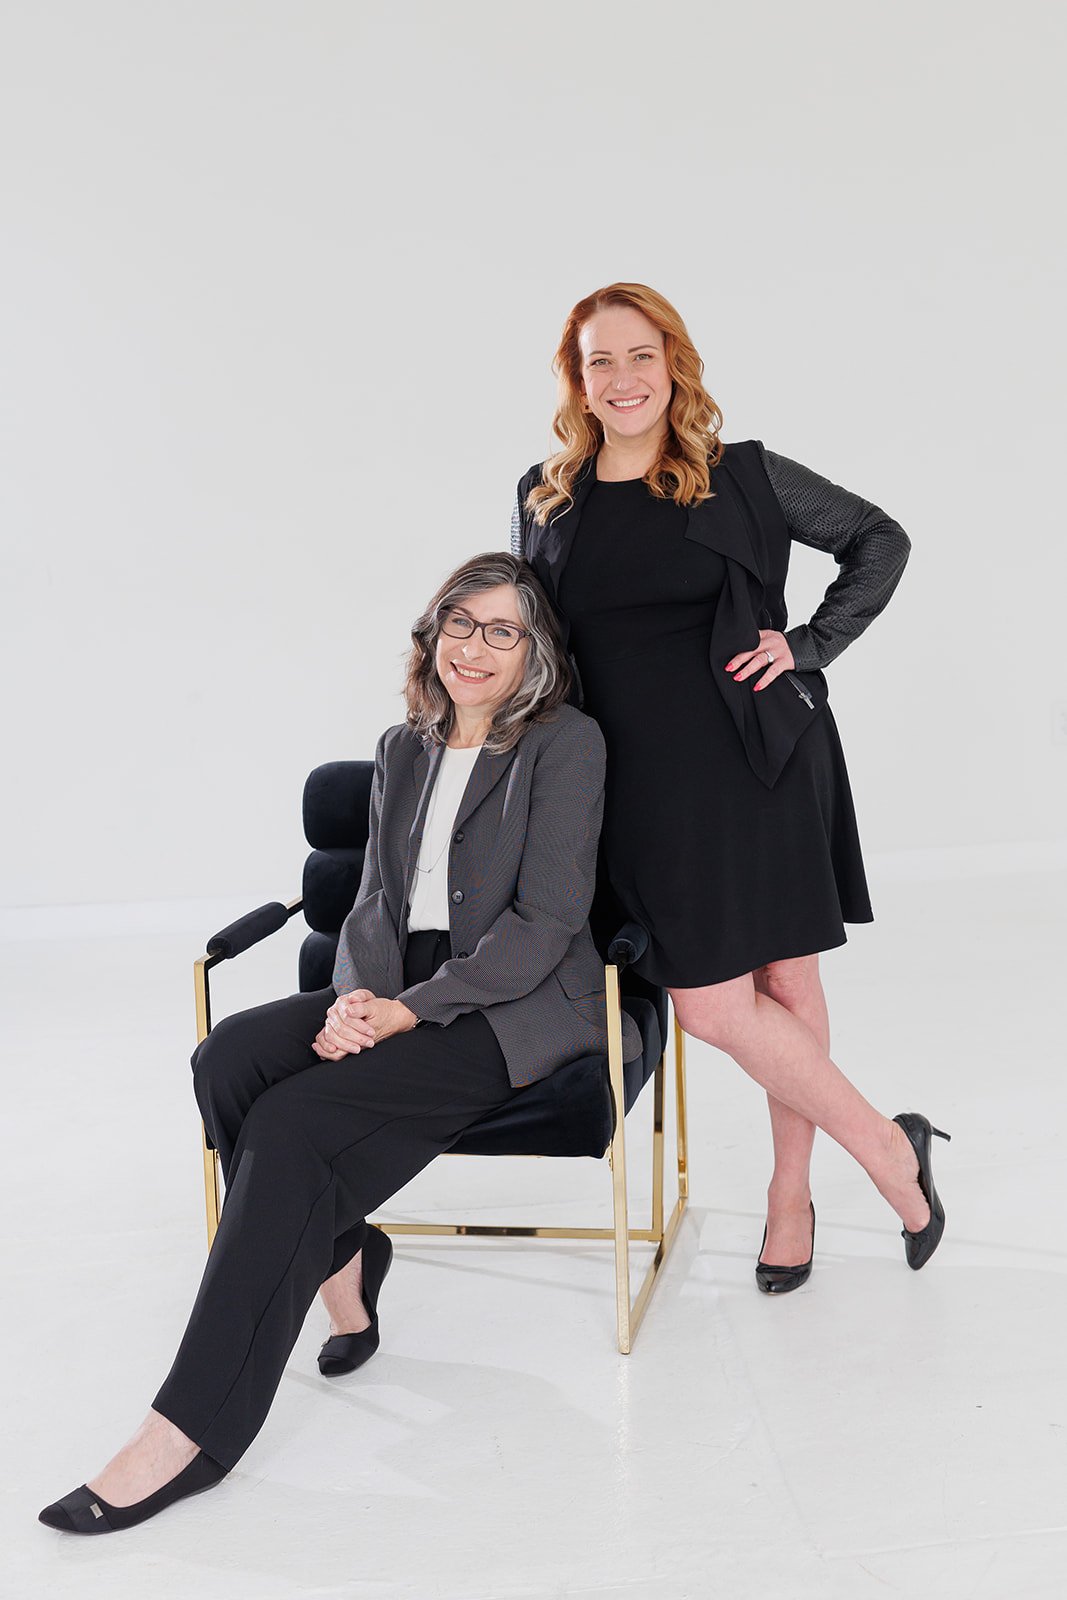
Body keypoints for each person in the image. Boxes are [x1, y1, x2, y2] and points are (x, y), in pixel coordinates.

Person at [39, 551, 640, 1535]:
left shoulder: (564, 745)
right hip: (394, 977)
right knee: (227, 1056)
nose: (474, 646)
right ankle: (340, 1253)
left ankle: (185, 1431)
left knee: (290, 1126)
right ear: (432, 632)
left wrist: (411, 1012)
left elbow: (542, 924)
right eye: (459, 622)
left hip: (512, 1003)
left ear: (533, 649)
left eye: (500, 629)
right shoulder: (404, 747)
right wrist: (356, 998)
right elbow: (371, 903)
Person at [512, 281, 948, 1297]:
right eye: (597, 362)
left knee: (784, 986)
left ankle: (787, 1198)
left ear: (674, 363)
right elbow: (538, 637)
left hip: (759, 761)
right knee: (711, 1002)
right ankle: (889, 1148)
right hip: (630, 787)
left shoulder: (740, 475)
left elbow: (878, 538)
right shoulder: (546, 491)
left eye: (638, 356)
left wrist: (803, 647)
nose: (620, 380)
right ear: (576, 381)